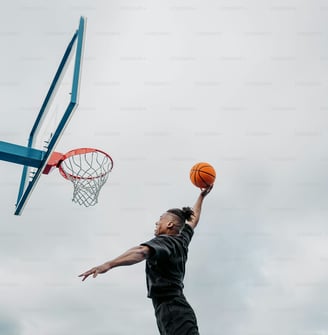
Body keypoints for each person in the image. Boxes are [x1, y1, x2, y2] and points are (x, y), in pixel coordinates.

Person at [79, 185, 213, 334]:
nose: (157, 223)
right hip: (176, 310)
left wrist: (108, 264)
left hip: (173, 310)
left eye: (160, 219)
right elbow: (192, 221)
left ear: (170, 224)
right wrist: (201, 197)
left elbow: (141, 251)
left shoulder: (166, 241)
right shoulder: (181, 240)